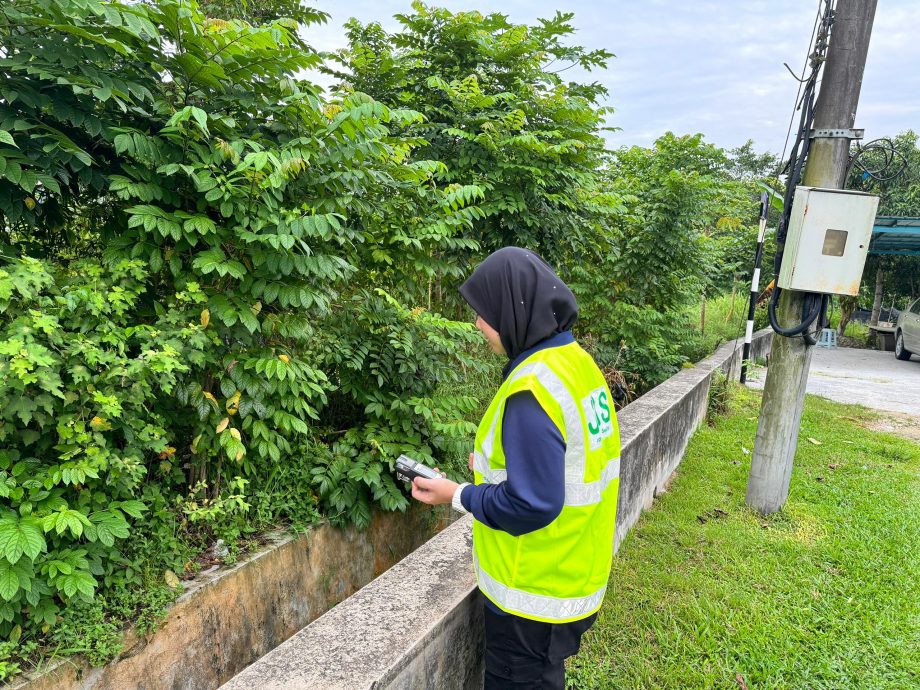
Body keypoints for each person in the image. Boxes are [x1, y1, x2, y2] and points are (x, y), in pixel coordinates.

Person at [411, 246, 621, 690]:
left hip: (532, 596)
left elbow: (533, 503)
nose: (478, 325)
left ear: (511, 311)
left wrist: (458, 494)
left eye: (483, 313)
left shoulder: (531, 390)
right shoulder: (576, 364)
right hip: (572, 574)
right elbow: (568, 463)